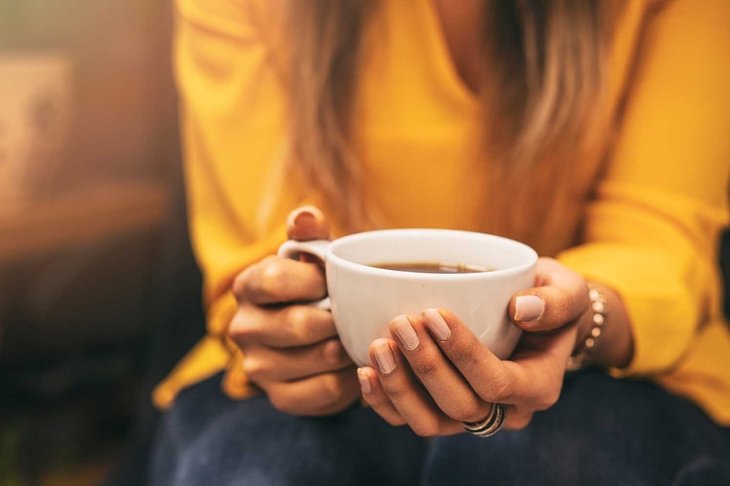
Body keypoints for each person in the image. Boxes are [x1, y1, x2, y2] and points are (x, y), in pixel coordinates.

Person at [151, 0, 730, 484]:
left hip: (611, 373)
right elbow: (258, 253)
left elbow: (659, 240)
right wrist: (284, 324)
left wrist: (582, 322)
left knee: (536, 462)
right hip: (312, 384)